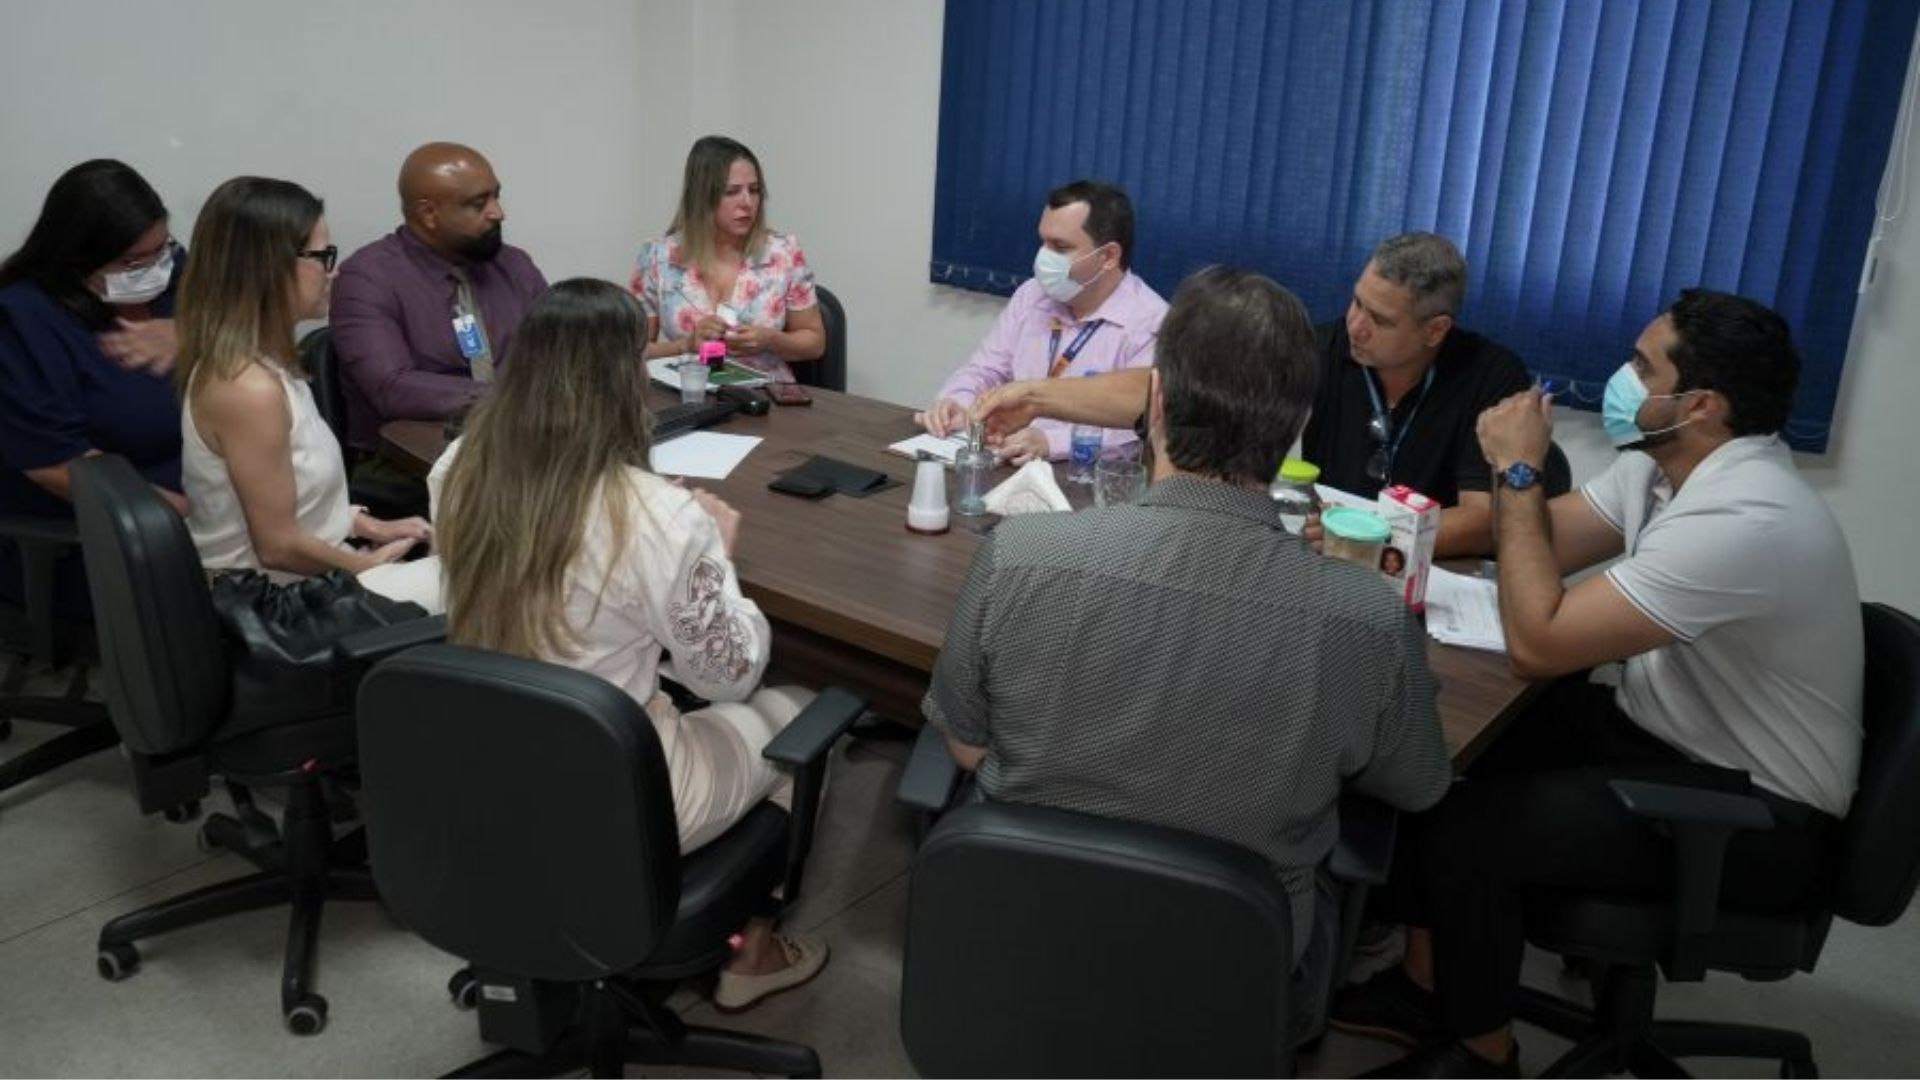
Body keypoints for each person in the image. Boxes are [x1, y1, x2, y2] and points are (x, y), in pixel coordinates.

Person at [1337, 290, 1861, 1079]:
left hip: (1752, 813)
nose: (1620, 377)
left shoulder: (1746, 518)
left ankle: (1483, 1053)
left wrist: (1516, 468)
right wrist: (1375, 530)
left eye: (1642, 366)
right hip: (1664, 731)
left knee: (1470, 830)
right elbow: (1543, 539)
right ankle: (1425, 986)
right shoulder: (1663, 467)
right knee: (1429, 757)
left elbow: (1539, 642)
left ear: (1701, 405)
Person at [924, 265, 1452, 1036]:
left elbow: (966, 749)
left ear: (1157, 404)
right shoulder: (1367, 617)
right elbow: (1416, 787)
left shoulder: (1018, 555)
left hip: (1022, 935)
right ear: (1293, 424)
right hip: (1231, 976)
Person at [437, 278, 827, 1010]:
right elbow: (728, 677)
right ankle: (756, 953)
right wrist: (721, 558)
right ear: (624, 381)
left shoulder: (456, 472)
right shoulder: (657, 517)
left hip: (484, 766)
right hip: (619, 793)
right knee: (802, 711)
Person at [971, 233, 1528, 553]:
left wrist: (1367, 539)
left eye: (1379, 319)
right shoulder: (1325, 346)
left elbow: (1486, 518)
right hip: (1320, 558)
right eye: (1357, 302)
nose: (1356, 324)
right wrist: (1039, 397)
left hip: (1418, 574)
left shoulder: (1490, 376)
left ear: (1435, 330)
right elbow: (1167, 392)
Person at [175, 177, 439, 611]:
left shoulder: (268, 364)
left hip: (304, 580)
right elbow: (277, 547)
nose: (333, 271)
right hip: (274, 606)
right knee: (485, 589)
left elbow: (294, 502)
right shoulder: (247, 388)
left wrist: (368, 527)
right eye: (323, 256)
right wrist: (369, 568)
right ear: (268, 268)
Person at [0, 159, 188, 619]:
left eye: (161, 249)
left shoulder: (174, 280)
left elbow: (250, 326)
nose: (153, 269)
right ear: (75, 260)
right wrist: (184, 517)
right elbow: (56, 466)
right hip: (107, 538)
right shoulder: (24, 320)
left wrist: (191, 332)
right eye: (131, 263)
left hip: (207, 503)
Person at [328, 142, 547, 497]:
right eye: (479, 203)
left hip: (522, 443)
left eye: (496, 196)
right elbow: (392, 388)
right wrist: (513, 398)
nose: (498, 213)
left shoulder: (514, 265)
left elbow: (558, 350)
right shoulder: (367, 278)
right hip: (412, 463)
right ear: (429, 213)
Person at [916, 179, 1166, 464]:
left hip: (1083, 480)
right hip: (1005, 461)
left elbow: (1141, 429)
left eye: (1060, 247)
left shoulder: (1152, 322)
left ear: (1108, 256)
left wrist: (1052, 442)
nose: (1043, 258)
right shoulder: (1032, 295)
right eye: (1043, 242)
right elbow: (984, 369)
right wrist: (958, 403)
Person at [631, 136, 824, 383]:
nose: (747, 203)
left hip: (764, 399)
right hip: (689, 392)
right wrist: (686, 345)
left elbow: (815, 343)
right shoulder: (658, 258)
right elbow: (632, 350)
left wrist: (770, 340)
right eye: (731, 192)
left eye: (754, 191)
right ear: (702, 197)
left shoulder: (783, 253)